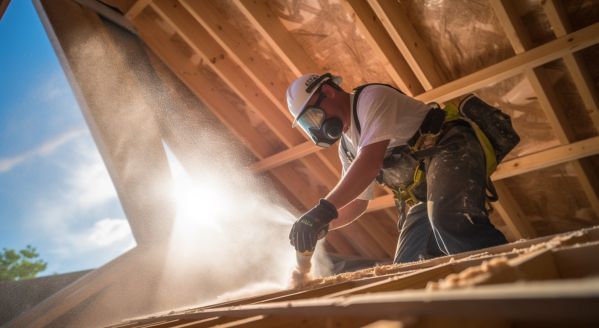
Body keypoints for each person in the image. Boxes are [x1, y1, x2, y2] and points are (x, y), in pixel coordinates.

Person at [286, 73, 509, 263]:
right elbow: (357, 203)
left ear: (328, 91)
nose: (316, 127)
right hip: (424, 189)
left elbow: (370, 163)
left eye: (313, 116)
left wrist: (321, 211)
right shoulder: (347, 147)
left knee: (449, 220)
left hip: (452, 148)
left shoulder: (370, 99)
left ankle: (511, 282)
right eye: (309, 125)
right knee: (407, 265)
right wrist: (319, 226)